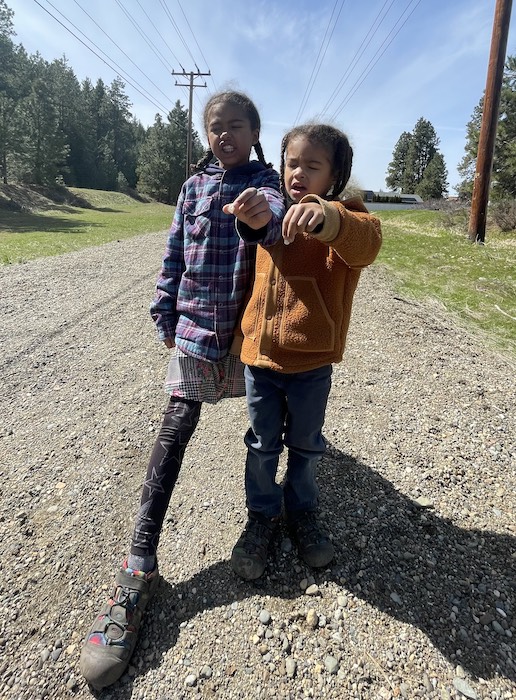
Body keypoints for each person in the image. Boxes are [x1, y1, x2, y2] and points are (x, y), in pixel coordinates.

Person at [79, 90, 285, 690]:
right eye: (215, 128)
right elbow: (173, 253)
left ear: (254, 131)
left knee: (265, 432)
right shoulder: (192, 190)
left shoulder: (268, 185)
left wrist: (261, 216)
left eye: (236, 126)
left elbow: (275, 224)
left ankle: (268, 517)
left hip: (250, 336)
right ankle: (139, 566)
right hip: (196, 330)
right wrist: (163, 310)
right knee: (174, 430)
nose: (225, 136)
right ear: (207, 135)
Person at [226, 123, 382, 581]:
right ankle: (260, 516)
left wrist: (326, 218)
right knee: (261, 443)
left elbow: (367, 243)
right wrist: (250, 218)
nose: (299, 173)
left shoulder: (345, 216)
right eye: (292, 163)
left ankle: (303, 513)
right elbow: (254, 243)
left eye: (312, 166)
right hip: (261, 359)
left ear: (332, 177)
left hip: (312, 362)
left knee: (307, 444)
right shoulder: (271, 213)